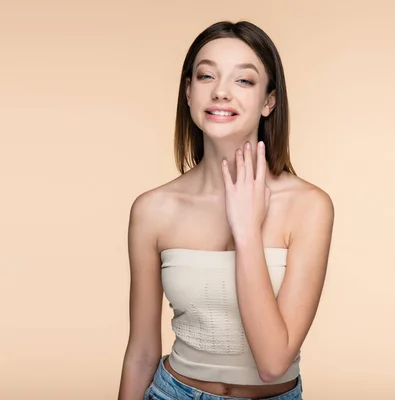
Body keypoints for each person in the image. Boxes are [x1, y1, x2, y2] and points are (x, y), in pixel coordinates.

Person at [117, 20, 335, 400]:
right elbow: (141, 354)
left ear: (269, 101)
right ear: (188, 92)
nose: (220, 92)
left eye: (244, 81)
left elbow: (273, 363)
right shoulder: (152, 210)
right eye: (206, 76)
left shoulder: (309, 207)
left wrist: (246, 229)